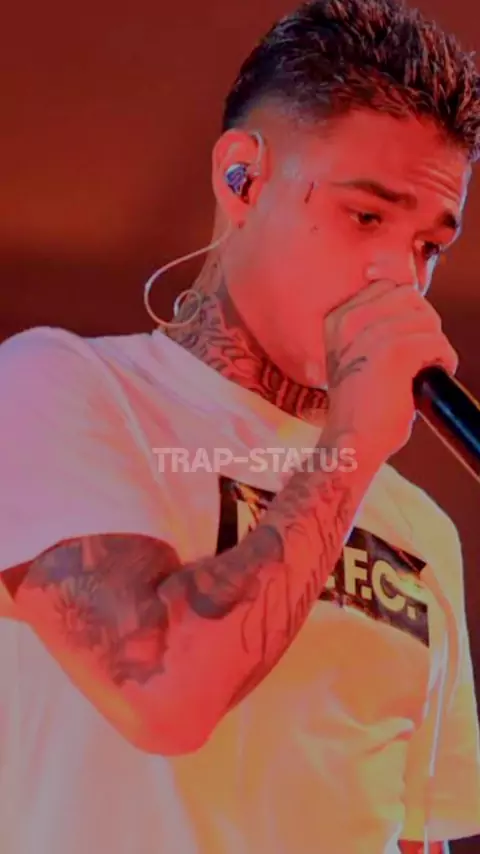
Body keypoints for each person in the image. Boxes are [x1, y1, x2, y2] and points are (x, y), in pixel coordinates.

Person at [0, 0, 479, 851]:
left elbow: (413, 832)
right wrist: (351, 450)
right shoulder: (61, 387)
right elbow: (160, 692)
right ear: (242, 178)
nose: (399, 279)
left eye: (428, 246)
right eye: (367, 216)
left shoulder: (420, 528)